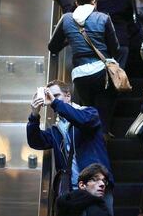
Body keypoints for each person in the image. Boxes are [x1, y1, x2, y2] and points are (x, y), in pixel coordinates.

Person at [26, 80, 114, 215]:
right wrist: (34, 115)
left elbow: (81, 120)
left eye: (56, 95)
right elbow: (36, 142)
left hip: (95, 184)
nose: (51, 100)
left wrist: (55, 103)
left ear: (68, 96)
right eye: (49, 96)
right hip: (72, 189)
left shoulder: (89, 113)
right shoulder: (57, 129)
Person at [48, 0, 120, 136]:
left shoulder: (66, 18)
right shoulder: (103, 18)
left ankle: (89, 142)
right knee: (103, 111)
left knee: (87, 111)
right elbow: (115, 49)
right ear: (94, 2)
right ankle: (103, 135)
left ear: (76, 3)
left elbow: (52, 47)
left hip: (80, 75)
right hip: (101, 73)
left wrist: (70, 39)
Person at [52, 0, 132, 68]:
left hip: (97, 44)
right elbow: (130, 19)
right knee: (117, 78)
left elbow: (73, 15)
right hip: (121, 42)